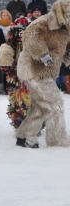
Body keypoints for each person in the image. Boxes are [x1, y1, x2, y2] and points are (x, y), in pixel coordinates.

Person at [16, 0, 70, 148]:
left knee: (39, 107)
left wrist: (68, 56)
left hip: (48, 72)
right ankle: (58, 140)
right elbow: (30, 36)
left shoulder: (66, 29)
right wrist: (43, 55)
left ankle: (24, 135)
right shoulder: (44, 22)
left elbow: (66, 47)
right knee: (54, 104)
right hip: (33, 69)